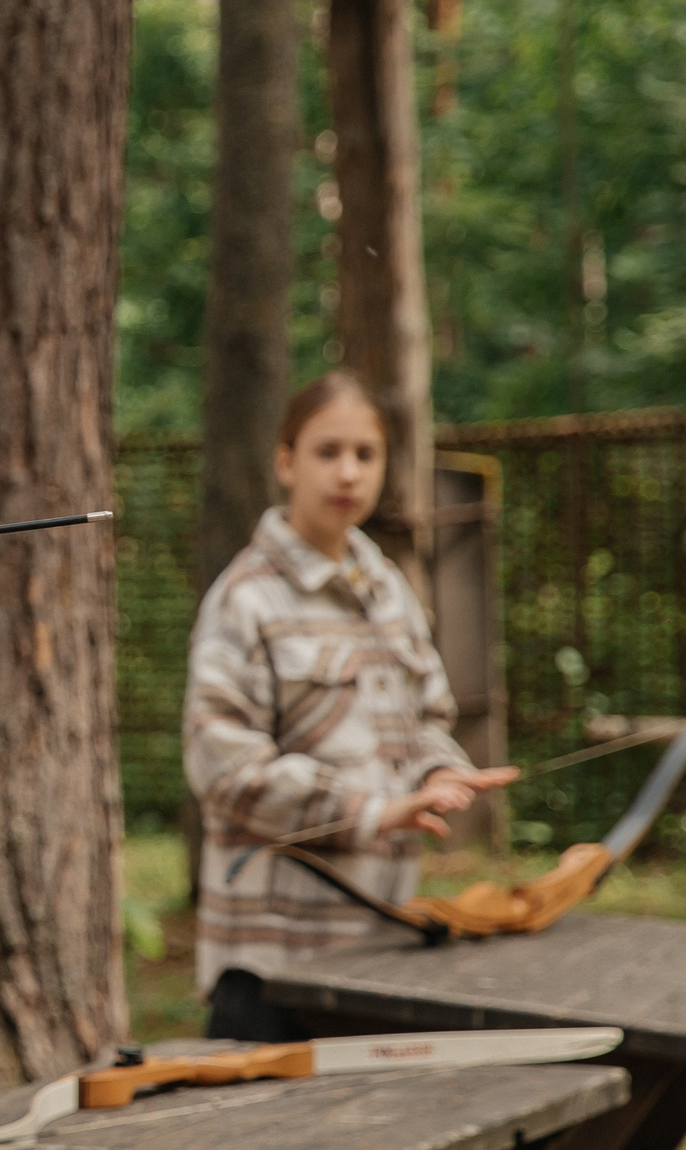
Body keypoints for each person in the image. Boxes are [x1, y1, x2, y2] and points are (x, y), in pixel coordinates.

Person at [183, 372, 518, 1040]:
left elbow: (429, 715)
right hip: (271, 965)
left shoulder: (387, 586)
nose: (348, 472)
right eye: (327, 451)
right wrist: (370, 812)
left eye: (366, 454)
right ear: (286, 461)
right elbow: (226, 772)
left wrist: (435, 774)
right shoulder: (246, 598)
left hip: (384, 944)